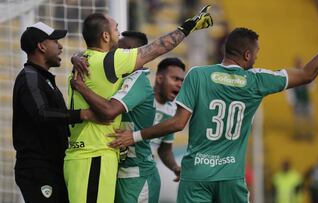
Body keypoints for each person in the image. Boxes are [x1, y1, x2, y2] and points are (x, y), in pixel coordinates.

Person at [109, 15, 318, 203]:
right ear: (247, 54)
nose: (257, 58)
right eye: (257, 53)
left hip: (196, 176)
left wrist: (135, 135)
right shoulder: (257, 80)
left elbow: (178, 123)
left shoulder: (198, 75)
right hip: (231, 177)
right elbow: (307, 74)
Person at [64, 6, 212, 203]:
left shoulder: (136, 80)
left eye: (123, 49)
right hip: (99, 159)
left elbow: (110, 111)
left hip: (129, 173)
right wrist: (77, 57)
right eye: (116, 31)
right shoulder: (105, 66)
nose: (118, 50)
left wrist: (188, 27)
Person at [12, 22, 92, 203]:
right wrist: (83, 114)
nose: (61, 46)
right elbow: (42, 114)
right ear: (41, 46)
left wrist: (76, 58)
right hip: (38, 169)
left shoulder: (42, 78)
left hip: (52, 167)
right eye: (55, 41)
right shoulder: (30, 77)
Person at [151, 57, 186, 182]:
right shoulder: (142, 99)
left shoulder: (173, 112)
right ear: (159, 79)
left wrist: (175, 167)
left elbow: (164, 149)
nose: (179, 84)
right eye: (175, 79)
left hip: (147, 172)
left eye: (182, 81)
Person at [287, 57, 314, 140]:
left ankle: (309, 134)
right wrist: (291, 101)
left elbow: (312, 86)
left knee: (309, 118)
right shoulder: (293, 74)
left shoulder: (306, 73)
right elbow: (289, 89)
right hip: (297, 101)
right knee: (298, 119)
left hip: (306, 100)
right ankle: (299, 134)